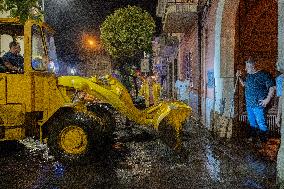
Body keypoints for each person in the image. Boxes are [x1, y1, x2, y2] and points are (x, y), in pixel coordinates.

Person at [236, 58, 276, 142]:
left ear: (253, 66)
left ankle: (264, 142)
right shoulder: (249, 75)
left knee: (261, 123)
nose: (245, 69)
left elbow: (272, 87)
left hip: (259, 104)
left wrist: (267, 100)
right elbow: (245, 85)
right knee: (252, 123)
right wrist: (239, 77)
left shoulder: (263, 74)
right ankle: (254, 140)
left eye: (247, 66)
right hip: (249, 104)